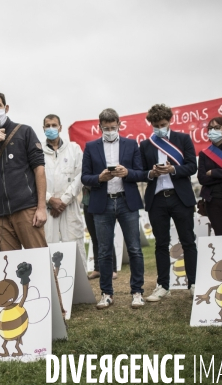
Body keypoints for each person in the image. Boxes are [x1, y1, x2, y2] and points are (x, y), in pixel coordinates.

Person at [81, 108, 145, 309]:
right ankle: (106, 293)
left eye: (113, 127)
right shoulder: (90, 147)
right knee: (104, 251)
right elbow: (84, 177)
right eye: (105, 128)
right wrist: (99, 178)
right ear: (99, 127)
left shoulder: (130, 144)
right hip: (103, 202)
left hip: (127, 201)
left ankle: (137, 292)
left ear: (119, 124)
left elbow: (141, 173)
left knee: (135, 249)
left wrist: (127, 172)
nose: (109, 130)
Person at [0, 91, 48, 250]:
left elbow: (39, 170)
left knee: (39, 263)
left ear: (6, 108)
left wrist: (41, 207)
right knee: (11, 268)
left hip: (26, 209)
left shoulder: (25, 132)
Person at [139, 104, 198, 302]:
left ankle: (193, 283)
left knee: (188, 241)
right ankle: (163, 285)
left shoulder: (183, 139)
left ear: (170, 121)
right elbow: (141, 172)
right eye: (155, 125)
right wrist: (151, 173)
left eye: (162, 124)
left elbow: (192, 166)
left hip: (180, 197)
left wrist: (173, 169)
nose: (159, 128)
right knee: (161, 244)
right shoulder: (146, 144)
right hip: (157, 199)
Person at [42, 114, 86, 271]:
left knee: (75, 243)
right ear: (43, 129)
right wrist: (50, 200)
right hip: (47, 209)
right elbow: (34, 180)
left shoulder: (73, 149)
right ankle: (52, 286)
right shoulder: (37, 151)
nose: (51, 128)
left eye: (54, 125)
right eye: (48, 126)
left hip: (69, 206)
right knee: (48, 245)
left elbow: (81, 176)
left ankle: (80, 288)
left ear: (60, 127)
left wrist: (64, 200)